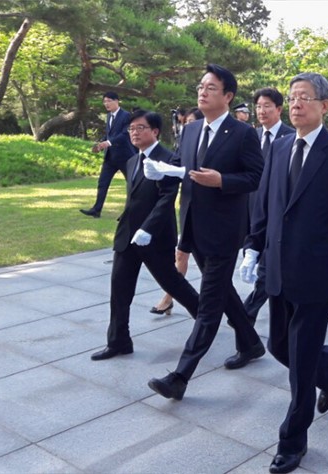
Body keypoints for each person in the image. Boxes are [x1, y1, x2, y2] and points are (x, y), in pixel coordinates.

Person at [241, 72, 328, 474]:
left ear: (324, 105)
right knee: (280, 346)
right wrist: (253, 246)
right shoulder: (279, 147)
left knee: (300, 364)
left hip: (316, 272)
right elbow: (266, 204)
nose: (296, 104)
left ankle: (292, 441)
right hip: (278, 269)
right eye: (293, 97)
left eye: (305, 98)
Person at [146, 64, 265, 401]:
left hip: (225, 230)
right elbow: (182, 168)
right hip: (193, 226)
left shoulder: (242, 133)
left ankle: (180, 376)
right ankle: (251, 343)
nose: (202, 92)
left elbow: (255, 176)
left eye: (211, 87)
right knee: (222, 289)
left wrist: (222, 180)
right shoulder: (191, 130)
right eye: (201, 86)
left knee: (210, 302)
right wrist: (161, 171)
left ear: (228, 96)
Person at [90, 110, 201, 360]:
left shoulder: (168, 160)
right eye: (131, 129)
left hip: (155, 237)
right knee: (119, 290)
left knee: (173, 284)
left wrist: (147, 229)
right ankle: (119, 342)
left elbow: (166, 199)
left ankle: (206, 321)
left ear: (155, 131)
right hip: (127, 237)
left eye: (140, 128)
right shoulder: (132, 161)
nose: (134, 133)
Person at [243, 87, 294, 325]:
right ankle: (247, 313)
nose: (261, 111)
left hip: (279, 212)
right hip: (253, 209)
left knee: (268, 265)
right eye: (258, 106)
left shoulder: (291, 137)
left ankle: (246, 313)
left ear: (279, 109)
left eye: (267, 106)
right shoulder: (251, 136)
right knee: (266, 265)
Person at [151, 107, 204, 315]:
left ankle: (226, 307)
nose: (187, 126)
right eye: (186, 122)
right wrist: (161, 172)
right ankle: (169, 297)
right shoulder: (184, 141)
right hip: (187, 207)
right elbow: (175, 165)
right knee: (181, 254)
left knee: (211, 270)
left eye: (192, 122)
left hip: (207, 212)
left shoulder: (209, 143)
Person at [80, 91, 136, 218]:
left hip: (125, 156)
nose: (106, 104)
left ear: (117, 101)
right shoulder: (109, 116)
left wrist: (108, 142)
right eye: (104, 101)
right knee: (102, 183)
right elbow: (109, 134)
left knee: (132, 184)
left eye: (109, 101)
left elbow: (125, 134)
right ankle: (96, 210)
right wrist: (101, 144)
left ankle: (129, 212)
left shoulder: (126, 116)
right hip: (110, 156)